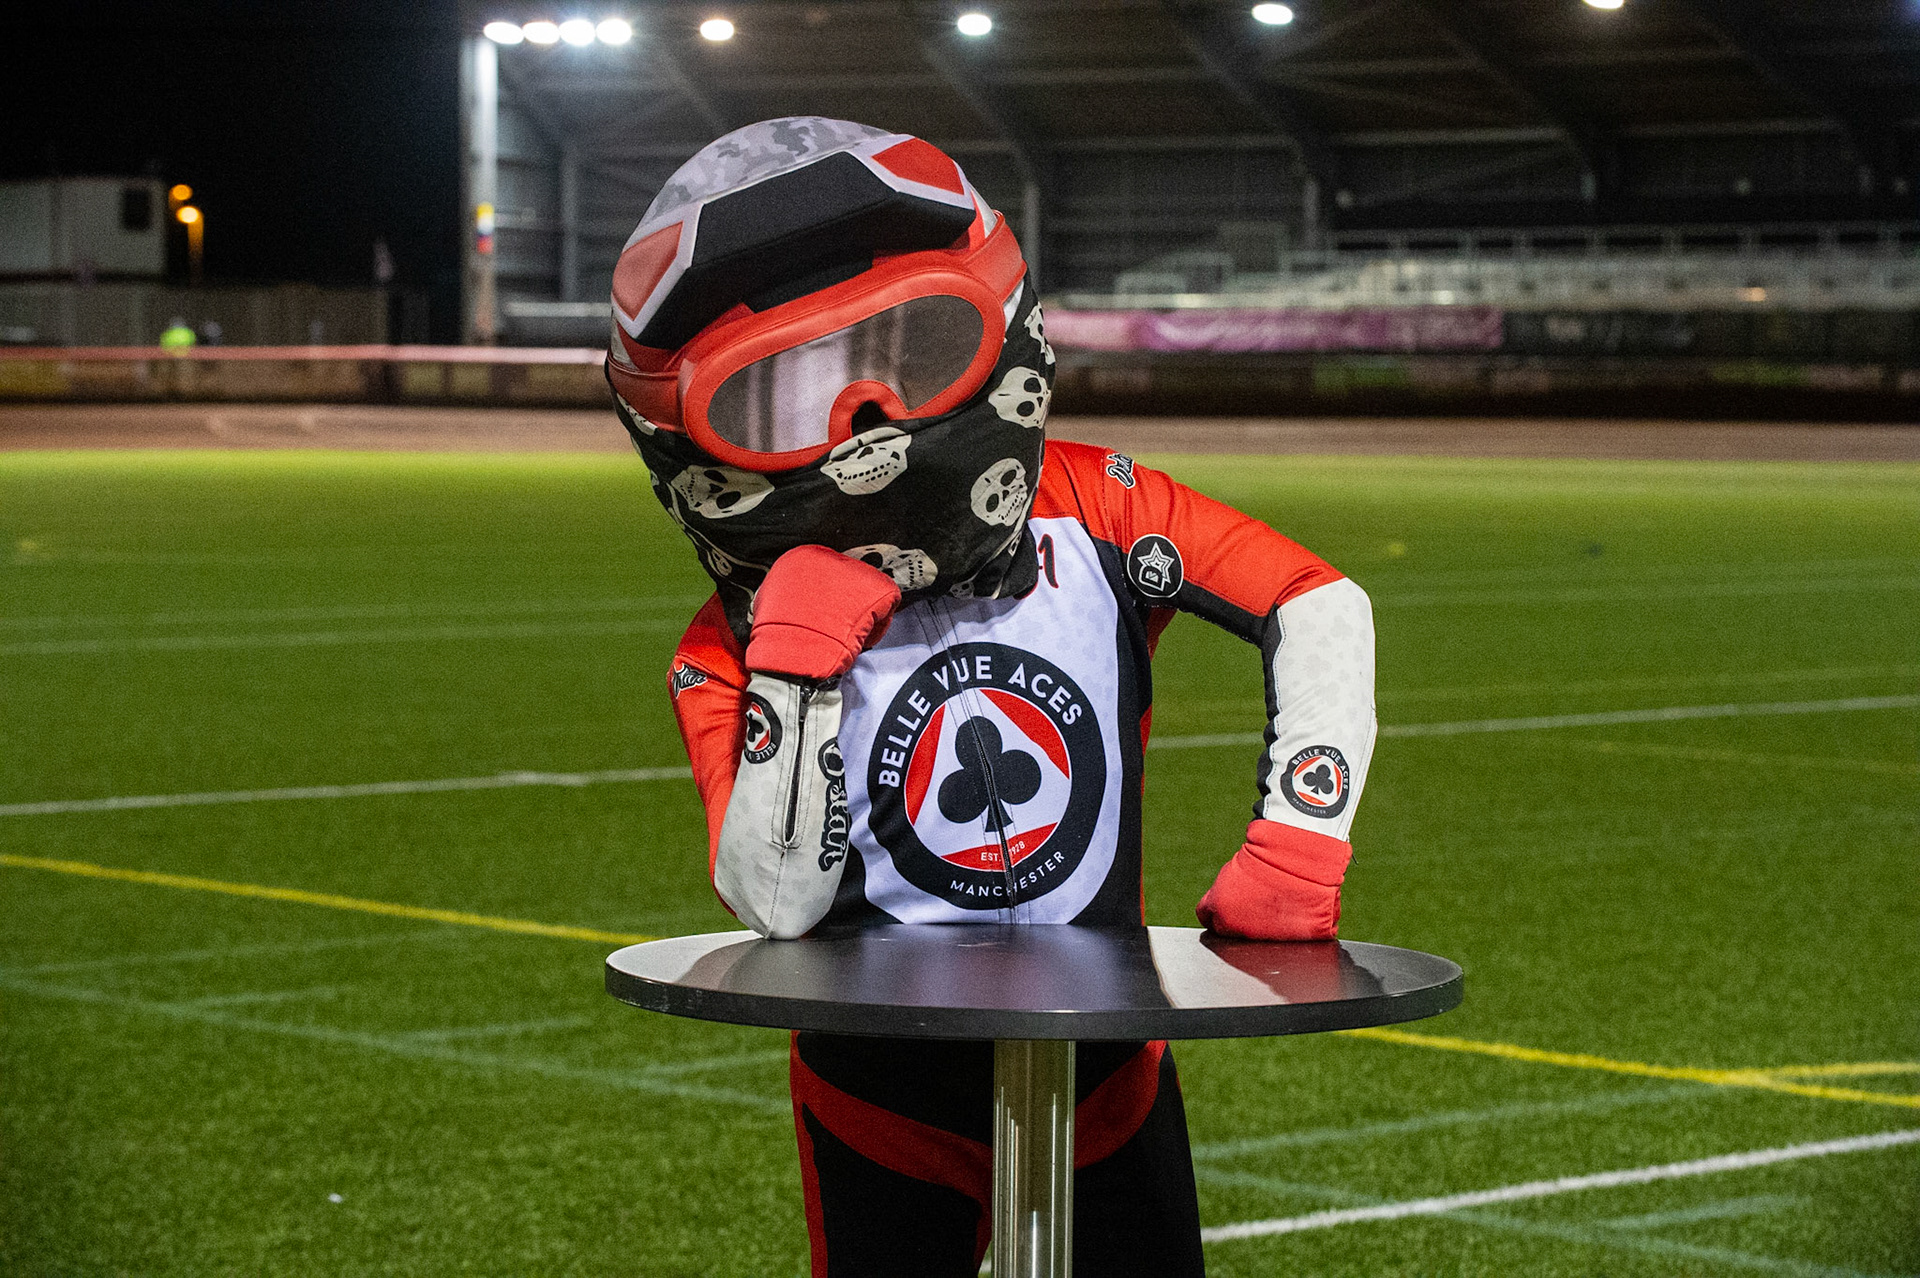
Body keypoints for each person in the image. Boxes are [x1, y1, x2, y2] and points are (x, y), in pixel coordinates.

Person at [609, 117, 1377, 1277]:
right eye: (777, 397)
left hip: (1108, 1075)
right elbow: (776, 902)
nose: (863, 418)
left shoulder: (1104, 510)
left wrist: (1299, 842)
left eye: (916, 343)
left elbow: (1315, 603)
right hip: (879, 1100)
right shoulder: (726, 643)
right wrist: (799, 662)